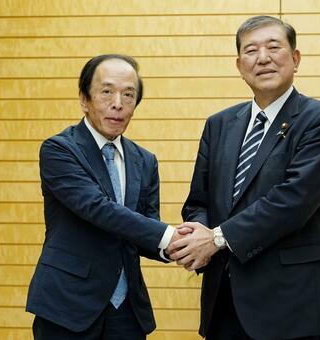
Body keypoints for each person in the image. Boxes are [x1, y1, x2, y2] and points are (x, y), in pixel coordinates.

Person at [168, 16, 320, 340]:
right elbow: (198, 201)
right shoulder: (218, 124)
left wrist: (217, 239)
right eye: (251, 50)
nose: (262, 58)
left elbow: (293, 201)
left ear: (295, 58)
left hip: (292, 308)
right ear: (239, 65)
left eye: (273, 47)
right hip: (224, 303)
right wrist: (196, 235)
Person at [26, 54, 190, 339]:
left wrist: (179, 248)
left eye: (129, 95)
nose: (118, 103)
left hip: (126, 310)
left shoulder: (145, 160)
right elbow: (97, 209)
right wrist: (169, 235)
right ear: (84, 99)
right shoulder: (59, 149)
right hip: (67, 305)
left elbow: (144, 225)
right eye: (106, 91)